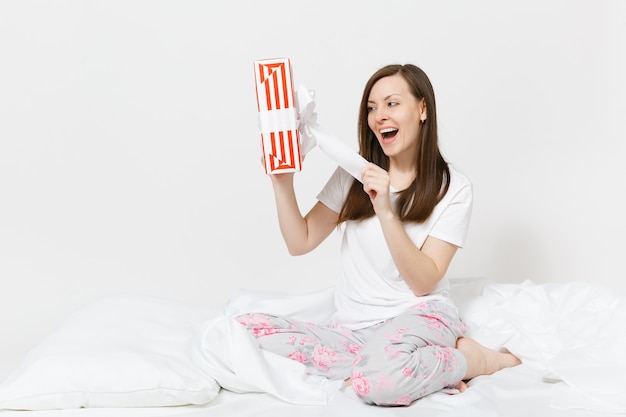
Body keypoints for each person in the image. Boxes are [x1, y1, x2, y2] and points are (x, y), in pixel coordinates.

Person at [237, 63, 520, 406]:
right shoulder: (354, 175)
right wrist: (282, 184)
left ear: (422, 109)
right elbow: (302, 241)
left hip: (421, 316)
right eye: (371, 108)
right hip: (353, 330)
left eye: (391, 103)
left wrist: (385, 209)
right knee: (242, 331)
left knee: (377, 383)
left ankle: (476, 359)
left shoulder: (454, 188)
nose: (379, 116)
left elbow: (422, 281)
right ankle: (402, 368)